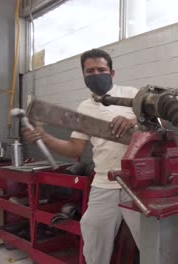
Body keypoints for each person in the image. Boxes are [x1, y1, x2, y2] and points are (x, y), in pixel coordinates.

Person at [23, 48, 142, 264]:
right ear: (84, 76)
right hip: (104, 183)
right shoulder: (84, 107)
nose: (96, 75)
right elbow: (75, 149)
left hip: (137, 183)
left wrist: (134, 121)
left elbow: (160, 123)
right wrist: (45, 137)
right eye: (90, 71)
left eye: (101, 69)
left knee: (151, 240)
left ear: (112, 73)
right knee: (93, 235)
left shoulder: (132, 95)